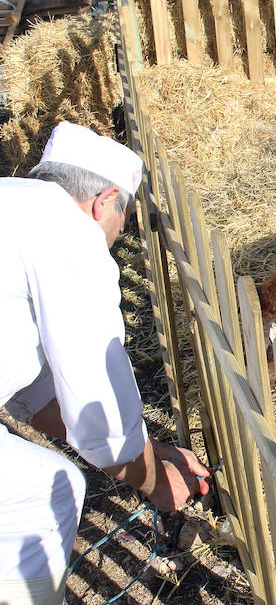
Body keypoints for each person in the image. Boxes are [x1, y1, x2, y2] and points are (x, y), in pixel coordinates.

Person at [0, 121, 210, 605]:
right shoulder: (69, 235)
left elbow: (29, 393)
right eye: (125, 218)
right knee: (48, 492)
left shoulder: (15, 204)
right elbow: (99, 416)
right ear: (104, 200)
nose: (119, 233)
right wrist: (154, 483)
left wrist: (148, 448)